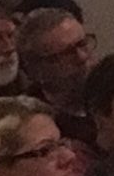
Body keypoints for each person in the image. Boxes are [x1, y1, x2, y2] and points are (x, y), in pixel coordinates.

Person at [18, 8, 96, 141]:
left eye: (82, 44)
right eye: (66, 53)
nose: (82, 57)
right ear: (36, 69)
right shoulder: (29, 123)